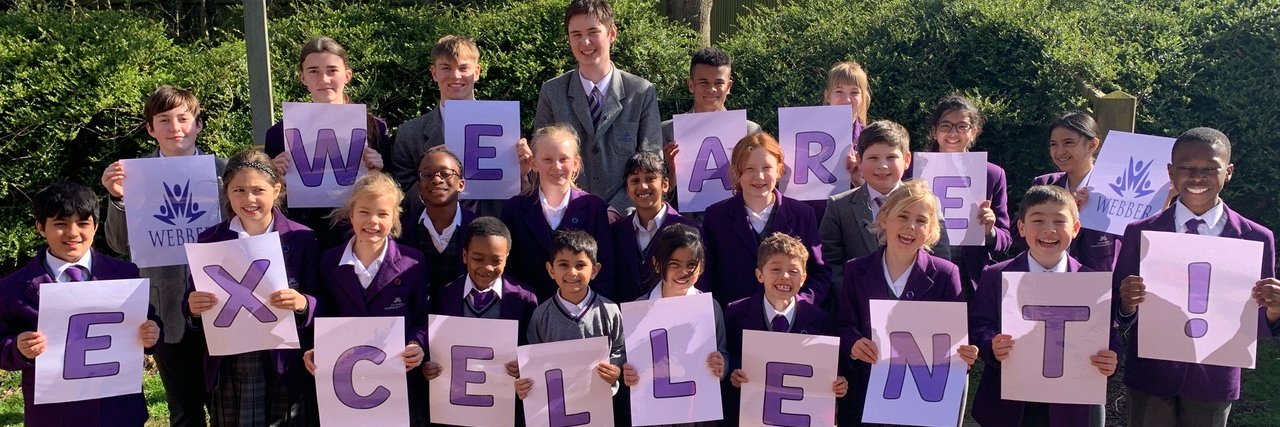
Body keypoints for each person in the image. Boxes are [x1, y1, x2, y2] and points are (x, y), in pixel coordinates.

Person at [1114, 127, 1280, 426]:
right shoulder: (1141, 232)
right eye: (1186, 168)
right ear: (1171, 172)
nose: (1197, 177)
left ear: (1228, 172)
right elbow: (1120, 310)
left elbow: (1256, 324)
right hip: (1151, 373)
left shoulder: (1255, 238)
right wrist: (1127, 302)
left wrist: (1274, 309)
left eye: (1209, 169)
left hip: (1214, 377)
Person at [100, 84, 218, 426]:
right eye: (164, 120)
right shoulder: (132, 177)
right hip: (165, 309)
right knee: (184, 411)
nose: (175, 128)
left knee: (228, 409)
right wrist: (118, 198)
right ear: (150, 129)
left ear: (198, 124)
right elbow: (119, 244)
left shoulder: (225, 172)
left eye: (183, 118)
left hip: (222, 305)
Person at [0, 182, 161, 426]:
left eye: (83, 223)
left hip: (118, 410)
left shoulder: (124, 274)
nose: (73, 233)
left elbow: (148, 322)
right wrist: (17, 348)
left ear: (95, 226)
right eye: (61, 224)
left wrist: (152, 334)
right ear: (41, 227)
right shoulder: (12, 287)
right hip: (54, 415)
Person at [186, 150, 320, 425]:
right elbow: (191, 302)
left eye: (258, 190)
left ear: (276, 190)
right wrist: (193, 308)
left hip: (285, 360)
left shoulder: (301, 238)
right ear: (227, 192)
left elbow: (321, 298)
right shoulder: (209, 240)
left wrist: (303, 303)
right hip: (232, 360)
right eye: (239, 190)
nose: (249, 199)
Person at [971, 185, 1119, 426]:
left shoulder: (1092, 283)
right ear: (1021, 227)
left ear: (1075, 228)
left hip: (1070, 404)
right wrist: (991, 344)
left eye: (1059, 221)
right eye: (1038, 220)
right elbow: (980, 325)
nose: (1049, 230)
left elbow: (1108, 334)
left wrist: (1112, 359)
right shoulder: (996, 275)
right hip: (1009, 404)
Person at [836, 179, 978, 425]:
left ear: (931, 230)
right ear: (884, 219)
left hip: (922, 403)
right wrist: (854, 344)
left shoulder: (946, 274)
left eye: (921, 220)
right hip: (866, 395)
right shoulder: (856, 270)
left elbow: (955, 338)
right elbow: (844, 324)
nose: (911, 226)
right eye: (903, 216)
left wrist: (965, 353)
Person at [305, 171, 429, 425]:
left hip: (397, 380)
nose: (372, 221)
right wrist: (316, 348)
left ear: (394, 218)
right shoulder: (328, 261)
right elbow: (322, 312)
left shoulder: (413, 262)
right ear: (351, 214)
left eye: (382, 214)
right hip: (343, 382)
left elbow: (423, 317)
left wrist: (417, 344)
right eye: (364, 212)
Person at [533, 0, 662, 215]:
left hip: (624, 218)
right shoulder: (552, 92)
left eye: (593, 32)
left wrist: (617, 209)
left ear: (612, 33)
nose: (585, 42)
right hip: (567, 216)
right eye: (576, 34)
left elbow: (651, 159)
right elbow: (543, 157)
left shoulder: (641, 92)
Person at [264, 36, 389, 249]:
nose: (324, 78)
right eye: (313, 71)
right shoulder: (278, 134)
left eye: (332, 70)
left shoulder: (376, 128)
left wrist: (380, 171)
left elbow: (392, 191)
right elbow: (269, 201)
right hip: (303, 237)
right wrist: (274, 177)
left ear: (347, 75)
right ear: (303, 78)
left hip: (357, 236)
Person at [391, 34, 532, 217]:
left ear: (477, 72)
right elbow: (401, 200)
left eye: (463, 68)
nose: (455, 76)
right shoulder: (409, 133)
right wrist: (430, 172)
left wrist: (522, 176)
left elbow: (524, 199)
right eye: (446, 68)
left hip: (494, 226)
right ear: (434, 73)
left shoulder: (505, 125)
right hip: (435, 231)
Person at [819, 120, 952, 303]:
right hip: (859, 308)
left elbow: (940, 255)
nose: (882, 166)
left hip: (916, 307)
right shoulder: (839, 206)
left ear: (907, 160)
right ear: (859, 160)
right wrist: (857, 298)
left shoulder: (928, 203)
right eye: (873, 158)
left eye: (891, 157)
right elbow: (830, 263)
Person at [724, 233, 849, 426]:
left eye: (793, 271)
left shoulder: (820, 321)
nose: (784, 276)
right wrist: (733, 372)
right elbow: (728, 355)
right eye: (776, 269)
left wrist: (839, 383)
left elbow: (830, 369)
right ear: (759, 275)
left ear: (803, 278)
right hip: (751, 417)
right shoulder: (736, 313)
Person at [701, 132, 831, 306]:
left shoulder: (802, 214)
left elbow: (819, 272)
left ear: (779, 170)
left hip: (789, 319)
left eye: (767, 168)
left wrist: (800, 305)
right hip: (734, 319)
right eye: (749, 169)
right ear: (736, 172)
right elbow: (706, 276)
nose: (759, 176)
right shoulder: (716, 217)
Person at [619, 224, 727, 427]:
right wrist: (627, 370)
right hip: (652, 415)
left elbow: (722, 352)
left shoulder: (711, 308)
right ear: (657, 264)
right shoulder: (639, 309)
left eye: (691, 264)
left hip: (696, 415)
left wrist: (722, 364)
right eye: (674, 264)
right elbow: (627, 356)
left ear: (702, 266)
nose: (683, 272)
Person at [501, 124, 614, 300]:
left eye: (563, 159)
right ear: (533, 163)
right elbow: (508, 269)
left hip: (581, 310)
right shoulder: (514, 209)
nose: (556, 166)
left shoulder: (594, 207)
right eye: (547, 159)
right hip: (528, 309)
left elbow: (605, 268)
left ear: (575, 163)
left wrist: (596, 309)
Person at [514, 230, 625, 400]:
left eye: (580, 265)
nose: (572, 272)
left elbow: (620, 349)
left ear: (594, 270)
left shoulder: (609, 310)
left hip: (601, 402)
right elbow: (532, 360)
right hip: (555, 403)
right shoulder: (541, 315)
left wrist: (616, 369)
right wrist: (524, 382)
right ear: (551, 270)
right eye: (563, 265)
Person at [920, 94, 1012, 294]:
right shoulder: (915, 170)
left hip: (970, 276)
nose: (953, 132)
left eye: (962, 126)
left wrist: (990, 231)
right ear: (934, 131)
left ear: (974, 131)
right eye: (946, 126)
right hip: (924, 269)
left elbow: (1006, 239)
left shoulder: (992, 174)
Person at [1016, 111, 1120, 271]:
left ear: (1092, 145)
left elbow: (1132, 243)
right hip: (1045, 277)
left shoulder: (1114, 190)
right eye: (1053, 144)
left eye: (1068, 143)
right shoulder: (1045, 184)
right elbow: (1018, 236)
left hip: (1097, 280)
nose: (1059, 152)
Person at [611, 151, 699, 302]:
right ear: (627, 190)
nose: (643, 186)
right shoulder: (616, 231)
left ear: (665, 184)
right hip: (627, 314)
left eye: (650, 178)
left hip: (677, 313)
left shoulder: (690, 231)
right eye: (635, 180)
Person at [398, 146, 477, 291]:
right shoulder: (403, 232)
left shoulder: (478, 230)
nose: (436, 179)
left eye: (445, 173)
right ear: (419, 186)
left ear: (461, 184)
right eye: (427, 175)